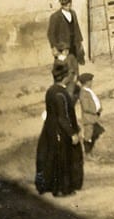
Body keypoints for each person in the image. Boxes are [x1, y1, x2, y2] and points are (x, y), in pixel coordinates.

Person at [35, 62, 84, 197]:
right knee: (62, 160)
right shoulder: (61, 94)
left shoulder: (51, 91)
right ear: (65, 77)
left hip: (49, 130)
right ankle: (61, 189)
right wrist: (72, 133)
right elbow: (63, 117)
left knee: (53, 159)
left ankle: (52, 187)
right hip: (60, 132)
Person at [47, 0, 85, 66]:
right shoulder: (55, 16)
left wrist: (79, 42)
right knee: (63, 65)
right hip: (62, 45)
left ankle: (75, 76)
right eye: (66, 5)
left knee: (74, 64)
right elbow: (50, 33)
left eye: (69, 4)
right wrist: (53, 47)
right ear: (62, 5)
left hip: (73, 44)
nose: (68, 6)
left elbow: (77, 28)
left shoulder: (73, 13)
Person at [77, 72, 103, 154]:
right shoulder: (84, 93)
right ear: (87, 82)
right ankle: (87, 152)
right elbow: (86, 107)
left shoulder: (88, 91)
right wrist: (96, 110)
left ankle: (90, 150)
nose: (92, 82)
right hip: (88, 117)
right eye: (91, 81)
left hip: (92, 117)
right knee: (88, 135)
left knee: (92, 133)